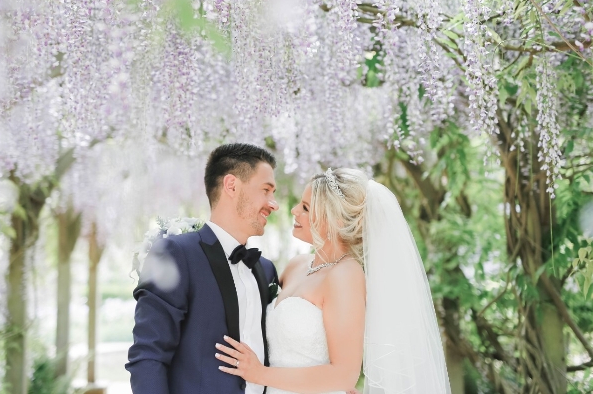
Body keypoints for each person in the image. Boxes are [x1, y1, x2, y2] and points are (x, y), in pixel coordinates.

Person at [215, 168, 452, 394]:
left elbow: (344, 375)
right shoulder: (297, 265)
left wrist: (260, 374)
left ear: (334, 220)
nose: (294, 210)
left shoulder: (346, 275)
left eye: (306, 208)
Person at [126, 143, 280, 394]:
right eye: (266, 190)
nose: (273, 204)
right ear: (231, 185)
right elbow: (148, 357)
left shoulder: (265, 269)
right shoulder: (175, 253)